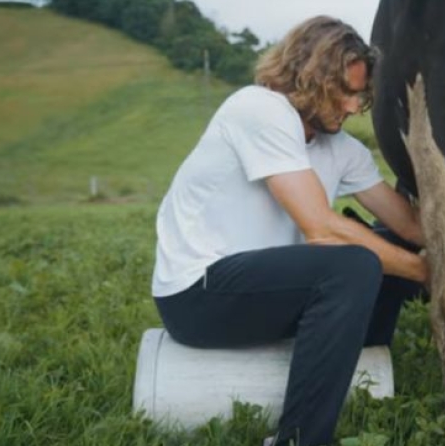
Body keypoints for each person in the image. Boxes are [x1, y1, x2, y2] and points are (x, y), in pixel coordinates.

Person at [150, 16, 428, 446]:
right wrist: (426, 272)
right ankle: (299, 439)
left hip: (264, 293)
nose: (355, 107)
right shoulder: (258, 109)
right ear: (310, 76)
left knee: (384, 247)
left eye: (362, 95)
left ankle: (364, 367)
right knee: (353, 264)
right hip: (197, 295)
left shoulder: (341, 148)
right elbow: (319, 228)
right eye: (347, 92)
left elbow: (411, 226)